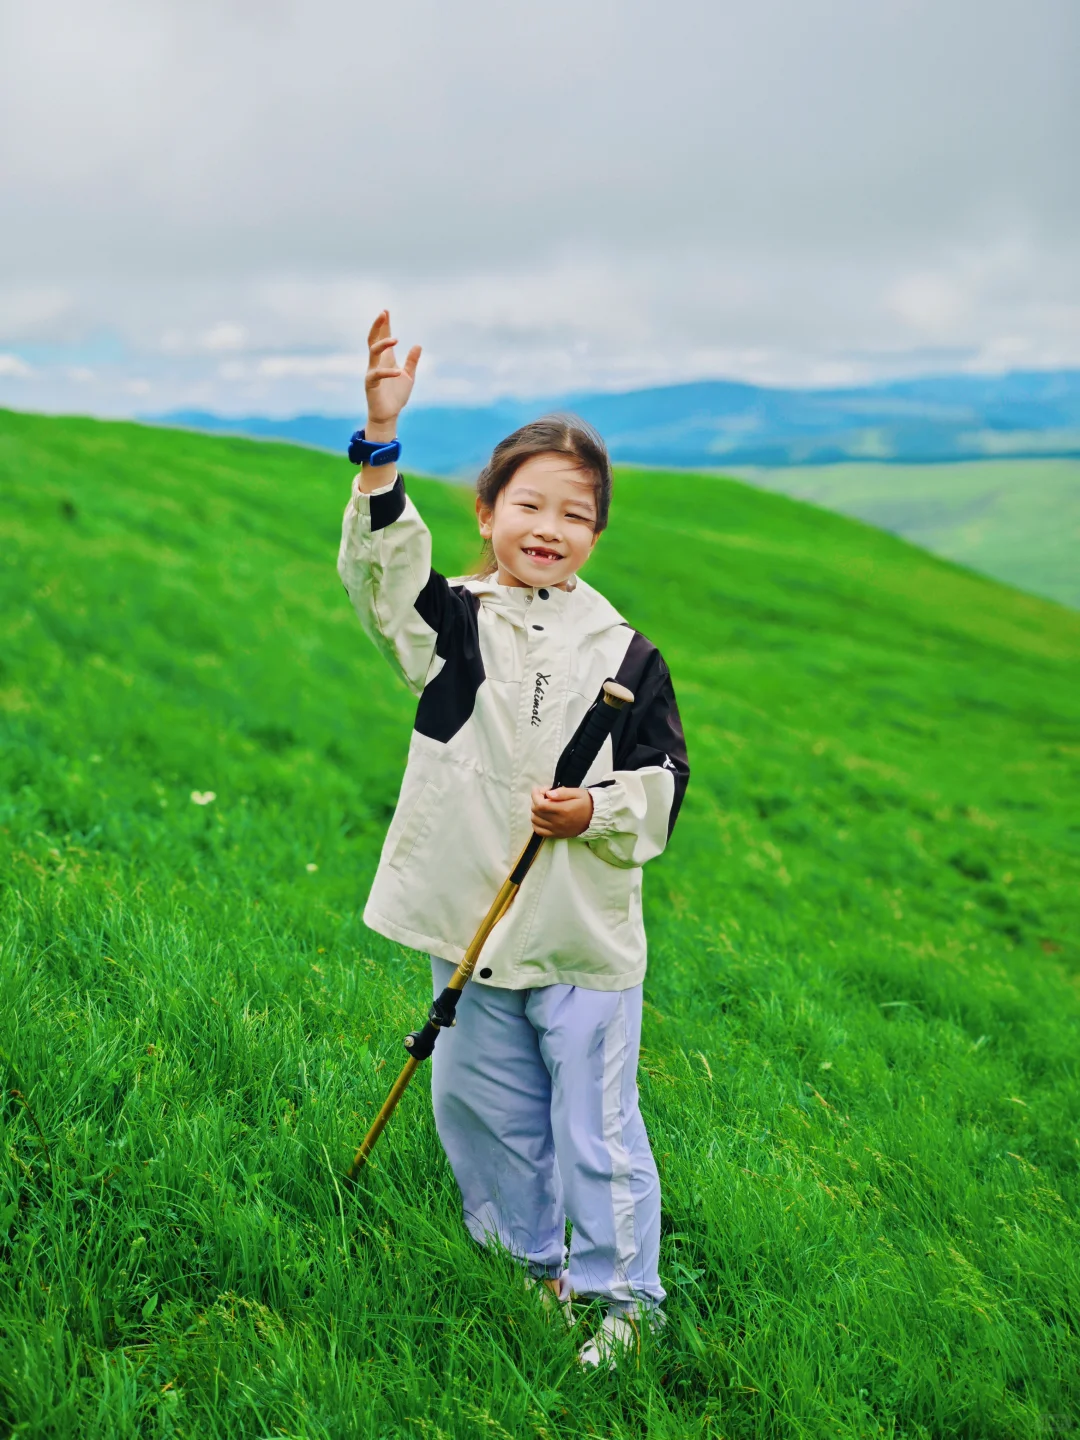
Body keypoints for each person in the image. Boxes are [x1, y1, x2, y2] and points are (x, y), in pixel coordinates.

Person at [337, 311, 689, 1370]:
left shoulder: (626, 650)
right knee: (480, 1106)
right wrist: (380, 449)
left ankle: (625, 1298)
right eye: (529, 503)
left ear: (595, 536)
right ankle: (532, 1265)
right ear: (487, 513)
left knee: (596, 1126)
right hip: (473, 923)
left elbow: (665, 781)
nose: (550, 525)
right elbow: (378, 583)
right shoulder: (455, 628)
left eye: (575, 514)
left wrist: (596, 812)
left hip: (578, 935)